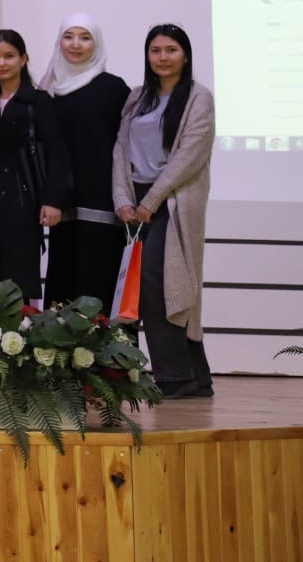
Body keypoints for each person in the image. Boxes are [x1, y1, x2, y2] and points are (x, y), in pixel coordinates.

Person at [112, 24, 215, 399]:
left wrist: (150, 201)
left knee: (163, 285)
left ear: (185, 56)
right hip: (136, 203)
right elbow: (120, 149)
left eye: (171, 50)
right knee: (145, 287)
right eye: (155, 50)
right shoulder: (137, 97)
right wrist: (123, 199)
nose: (163, 57)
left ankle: (175, 377)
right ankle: (195, 377)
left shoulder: (198, 98)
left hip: (173, 201)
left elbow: (189, 157)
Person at [38, 14, 130, 308]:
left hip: (104, 207)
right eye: (68, 37)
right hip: (62, 209)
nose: (75, 44)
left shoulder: (114, 88)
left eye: (85, 37)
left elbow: (126, 146)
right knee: (63, 291)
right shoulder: (49, 90)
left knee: (100, 286)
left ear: (96, 43)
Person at [0, 29, 69, 302]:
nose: (2, 63)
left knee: (20, 272)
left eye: (9, 56)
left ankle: (21, 329)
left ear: (23, 59)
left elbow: (57, 154)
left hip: (24, 198)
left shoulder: (39, 101)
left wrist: (52, 200)